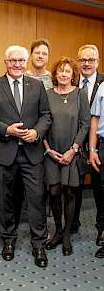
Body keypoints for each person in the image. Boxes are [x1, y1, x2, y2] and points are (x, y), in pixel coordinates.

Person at [0, 45, 52, 268]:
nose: (17, 64)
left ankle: (38, 243)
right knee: (5, 201)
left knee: (36, 200)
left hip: (32, 154)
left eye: (21, 60)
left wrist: (37, 132)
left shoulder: (37, 85)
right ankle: (8, 240)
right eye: (13, 60)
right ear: (5, 62)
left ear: (26, 62)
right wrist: (7, 129)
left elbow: (46, 115)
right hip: (4, 153)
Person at [44, 57, 90, 256]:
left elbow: (85, 124)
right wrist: (47, 148)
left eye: (67, 71)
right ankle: (57, 231)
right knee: (54, 192)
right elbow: (42, 123)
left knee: (70, 193)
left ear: (73, 75)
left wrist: (73, 149)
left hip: (72, 152)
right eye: (60, 71)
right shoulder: (46, 95)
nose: (63, 74)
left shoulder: (80, 94)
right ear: (55, 75)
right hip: (51, 153)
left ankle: (66, 236)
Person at [72, 45, 104, 237]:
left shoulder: (103, 82)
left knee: (99, 187)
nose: (86, 64)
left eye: (90, 60)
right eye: (83, 60)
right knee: (74, 185)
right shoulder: (70, 79)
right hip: (74, 142)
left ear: (97, 62)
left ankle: (101, 228)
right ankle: (73, 224)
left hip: (97, 144)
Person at [89, 81, 104, 258]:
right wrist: (92, 149)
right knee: (101, 191)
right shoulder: (102, 87)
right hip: (102, 146)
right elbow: (95, 118)